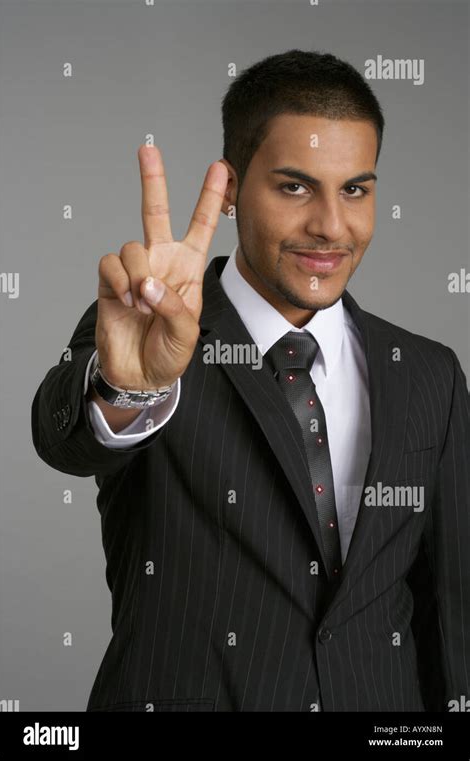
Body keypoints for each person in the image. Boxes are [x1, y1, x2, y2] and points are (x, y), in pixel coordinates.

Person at [32, 49, 469, 712]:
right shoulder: (151, 335)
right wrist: (128, 390)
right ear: (231, 189)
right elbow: (61, 435)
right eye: (294, 186)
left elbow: (452, 615)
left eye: (355, 188)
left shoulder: (430, 374)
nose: (331, 224)